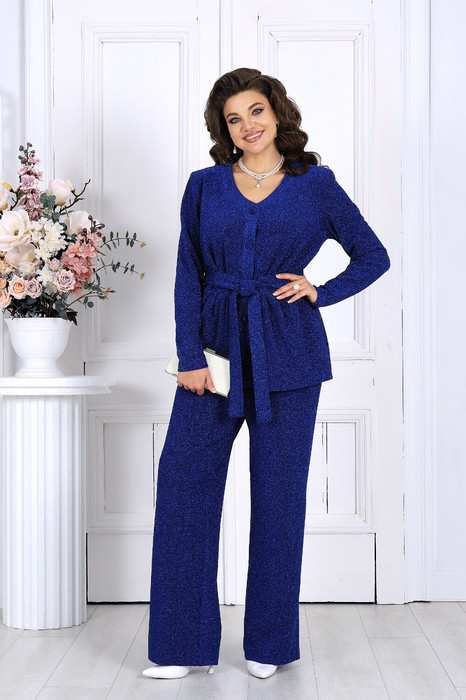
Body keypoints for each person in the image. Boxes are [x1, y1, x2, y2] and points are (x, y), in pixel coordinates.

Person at [142, 67, 390, 681]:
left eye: (256, 111)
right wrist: (190, 356)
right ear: (223, 129)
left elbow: (373, 255)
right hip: (213, 353)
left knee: (278, 499)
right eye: (234, 118)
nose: (247, 125)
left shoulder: (316, 185)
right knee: (183, 487)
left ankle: (270, 644)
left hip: (289, 352)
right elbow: (188, 272)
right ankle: (180, 646)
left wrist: (319, 290)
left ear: (276, 112)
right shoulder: (204, 186)